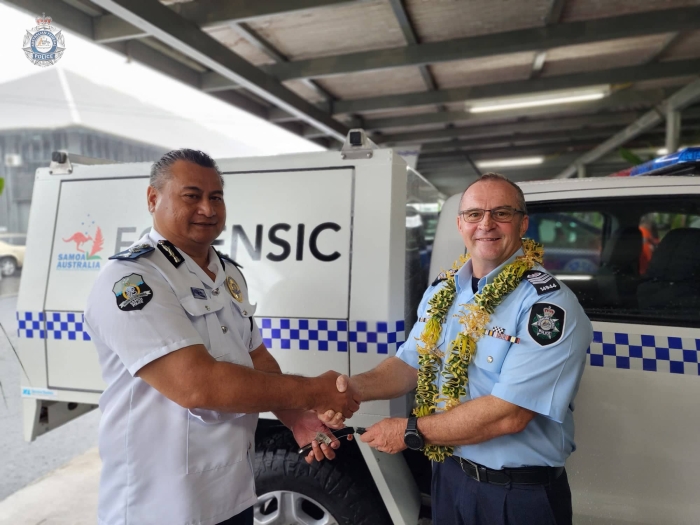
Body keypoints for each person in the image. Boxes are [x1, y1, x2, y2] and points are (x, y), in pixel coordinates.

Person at [84, 149, 359, 525]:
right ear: (153, 198)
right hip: (159, 503)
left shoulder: (226, 273)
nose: (208, 209)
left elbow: (257, 357)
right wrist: (312, 390)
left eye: (216, 197)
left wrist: (296, 417)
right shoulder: (133, 280)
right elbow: (197, 386)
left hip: (232, 491)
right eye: (191, 196)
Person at [323, 173, 593, 525]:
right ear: (459, 223)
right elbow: (411, 363)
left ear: (523, 223)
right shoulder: (443, 292)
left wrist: (409, 431)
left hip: (515, 496)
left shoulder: (548, 306)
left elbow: (510, 413)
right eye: (475, 214)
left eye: (502, 213)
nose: (486, 224)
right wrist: (352, 389)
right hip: (449, 478)